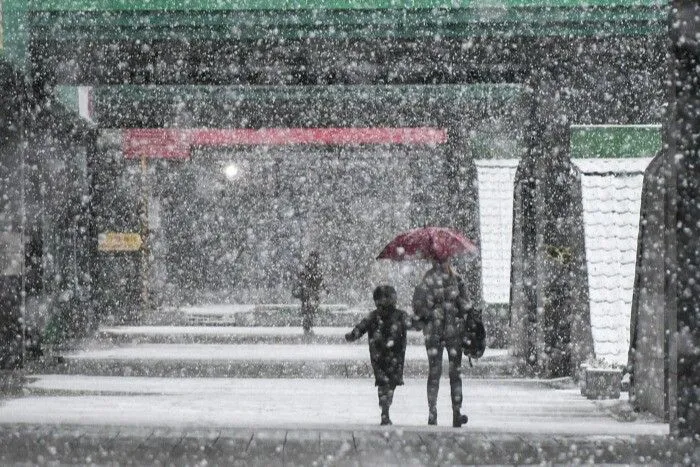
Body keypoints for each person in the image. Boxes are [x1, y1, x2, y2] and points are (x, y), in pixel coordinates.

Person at [412, 258, 471, 427]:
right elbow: (417, 306)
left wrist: (457, 305)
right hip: (434, 333)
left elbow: (466, 305)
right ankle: (432, 411)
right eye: (438, 260)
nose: (441, 264)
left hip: (454, 332)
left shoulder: (457, 280)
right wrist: (432, 307)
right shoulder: (426, 281)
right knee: (434, 373)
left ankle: (456, 411)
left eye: (444, 260)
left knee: (455, 373)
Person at [345, 285, 411, 426]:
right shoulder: (399, 315)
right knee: (389, 383)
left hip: (379, 355)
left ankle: (385, 408)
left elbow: (361, 327)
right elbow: (414, 324)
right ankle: (385, 409)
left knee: (384, 382)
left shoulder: (375, 316)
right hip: (394, 355)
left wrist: (353, 335)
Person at [292, 250, 324, 335]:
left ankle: (308, 326)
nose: (312, 259)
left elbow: (319, 280)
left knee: (310, 310)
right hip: (308, 293)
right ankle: (307, 327)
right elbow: (304, 278)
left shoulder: (314, 268)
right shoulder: (311, 268)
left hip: (310, 293)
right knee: (308, 310)